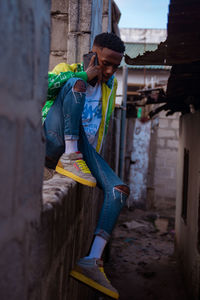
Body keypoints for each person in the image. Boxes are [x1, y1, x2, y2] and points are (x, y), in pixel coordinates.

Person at [42, 32, 130, 299]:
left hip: (84, 149)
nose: (110, 70)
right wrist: (84, 75)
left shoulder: (110, 85)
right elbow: (43, 87)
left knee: (119, 190)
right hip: (53, 140)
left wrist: (94, 157)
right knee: (75, 86)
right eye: (105, 63)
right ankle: (69, 156)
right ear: (93, 53)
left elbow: (102, 124)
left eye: (116, 66)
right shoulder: (68, 71)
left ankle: (91, 261)